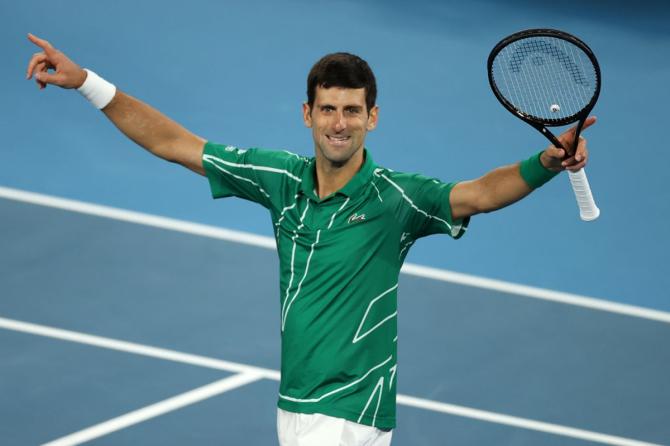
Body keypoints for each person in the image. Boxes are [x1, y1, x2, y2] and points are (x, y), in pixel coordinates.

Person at [25, 33, 593, 446]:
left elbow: (478, 194)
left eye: (352, 110)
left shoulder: (398, 199)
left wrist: (543, 163)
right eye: (328, 109)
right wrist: (88, 84)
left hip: (343, 412)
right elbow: (174, 143)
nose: (338, 123)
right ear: (307, 114)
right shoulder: (280, 180)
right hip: (306, 407)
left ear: (373, 118)